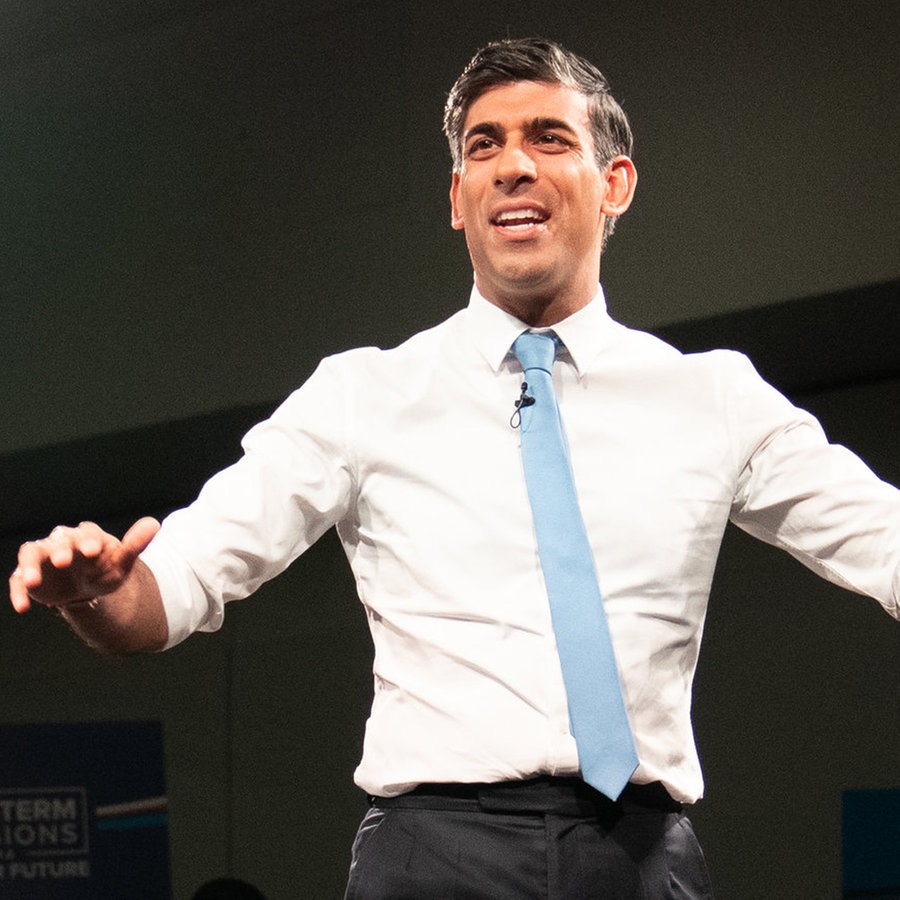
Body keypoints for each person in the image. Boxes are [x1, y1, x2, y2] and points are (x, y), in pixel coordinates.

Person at [8, 38, 900, 900]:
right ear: (457, 196)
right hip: (432, 858)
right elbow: (175, 582)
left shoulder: (715, 398)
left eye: (549, 139)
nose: (513, 166)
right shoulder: (361, 394)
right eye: (485, 147)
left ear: (615, 184)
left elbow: (882, 540)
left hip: (645, 859)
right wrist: (97, 592)